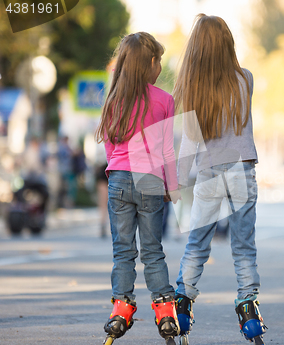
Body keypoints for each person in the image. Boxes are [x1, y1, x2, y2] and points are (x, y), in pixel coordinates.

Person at [173, 14, 267, 345]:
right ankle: (248, 310)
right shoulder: (247, 79)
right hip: (242, 170)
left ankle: (182, 304)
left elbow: (188, 141)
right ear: (228, 44)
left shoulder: (195, 89)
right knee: (243, 247)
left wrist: (177, 182)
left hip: (210, 172)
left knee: (198, 244)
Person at [95, 32, 181, 344]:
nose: (161, 66)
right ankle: (165, 312)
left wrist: (115, 171)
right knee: (153, 250)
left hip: (118, 177)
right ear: (150, 65)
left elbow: (109, 144)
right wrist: (171, 186)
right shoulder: (165, 100)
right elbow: (168, 152)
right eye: (158, 60)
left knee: (123, 251)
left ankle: (121, 309)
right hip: (150, 180)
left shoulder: (114, 98)